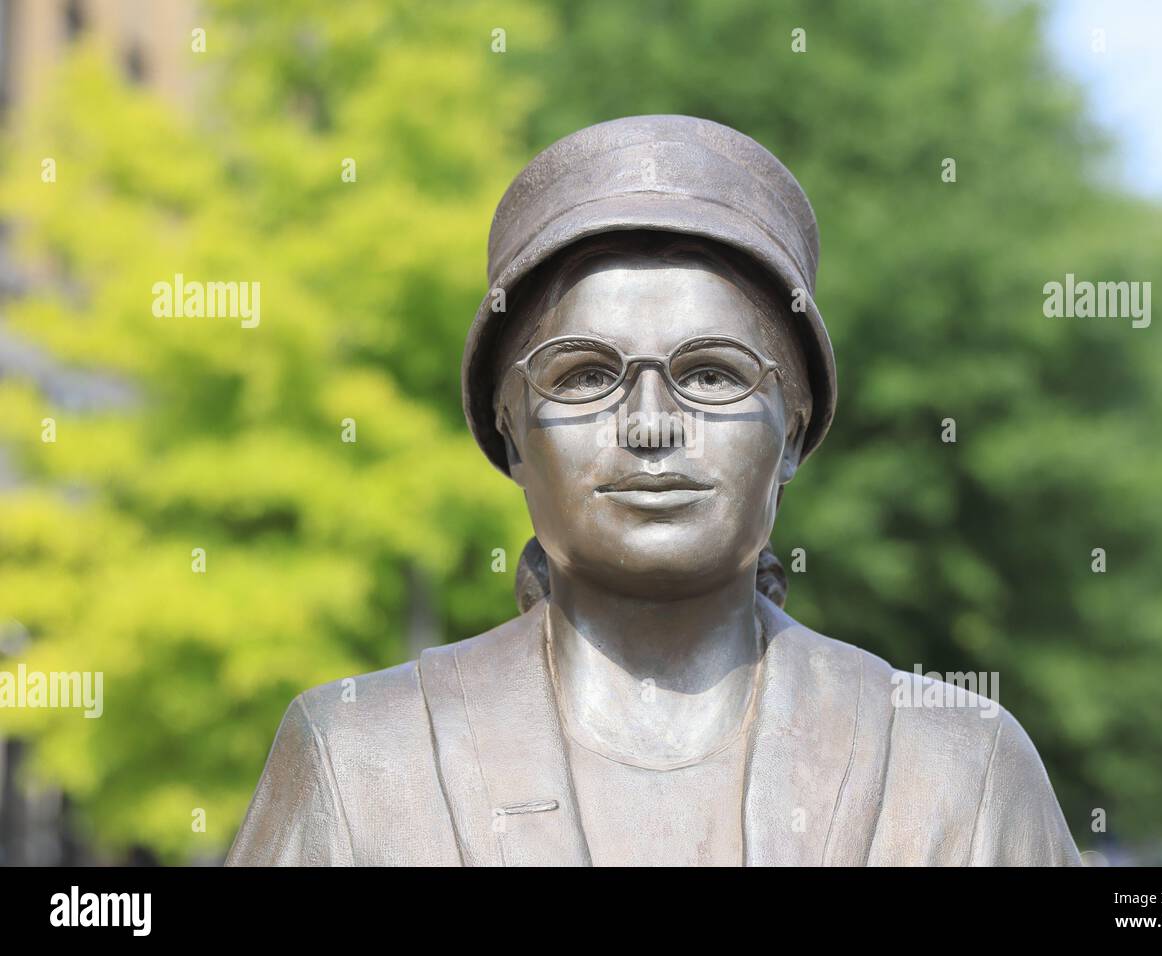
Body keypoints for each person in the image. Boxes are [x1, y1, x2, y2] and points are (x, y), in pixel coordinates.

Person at [226, 115, 1081, 866]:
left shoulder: (960, 772)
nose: (650, 424)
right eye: (586, 375)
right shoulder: (360, 757)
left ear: (793, 425)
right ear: (512, 427)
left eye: (711, 375)